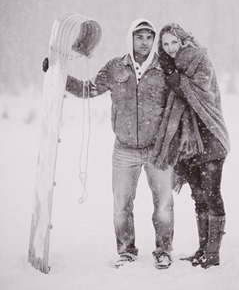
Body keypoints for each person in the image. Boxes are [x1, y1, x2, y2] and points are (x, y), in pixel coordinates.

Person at [43, 18, 174, 270]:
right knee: (121, 205)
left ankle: (163, 250)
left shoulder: (165, 69)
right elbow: (87, 88)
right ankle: (126, 251)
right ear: (131, 38)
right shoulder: (115, 68)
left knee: (164, 204)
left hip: (158, 150)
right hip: (124, 149)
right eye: (139, 37)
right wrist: (58, 72)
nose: (144, 42)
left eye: (149, 37)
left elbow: (178, 106)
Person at [150, 23, 230, 269]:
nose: (171, 48)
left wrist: (176, 79)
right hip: (187, 144)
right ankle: (202, 250)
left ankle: (213, 255)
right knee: (199, 198)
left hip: (210, 138)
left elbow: (200, 93)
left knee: (212, 194)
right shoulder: (168, 67)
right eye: (165, 44)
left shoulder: (200, 60)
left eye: (174, 42)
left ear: (183, 40)